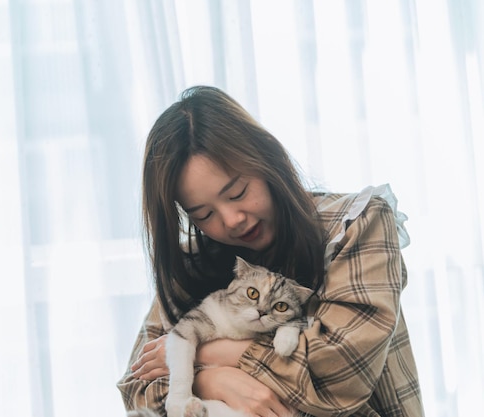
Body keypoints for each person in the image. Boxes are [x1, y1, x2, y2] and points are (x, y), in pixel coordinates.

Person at [117, 86, 424, 417]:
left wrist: (210, 354)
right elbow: (137, 385)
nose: (232, 220)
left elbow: (342, 373)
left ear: (266, 159)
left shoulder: (355, 224)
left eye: (238, 192)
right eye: (204, 214)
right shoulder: (193, 259)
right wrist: (213, 382)